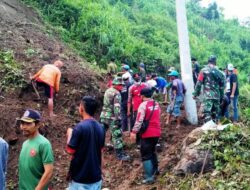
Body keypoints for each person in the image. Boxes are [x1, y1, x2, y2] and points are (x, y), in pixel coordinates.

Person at [66, 96, 105, 190]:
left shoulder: (79, 128)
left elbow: (70, 151)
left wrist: (69, 135)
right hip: (96, 177)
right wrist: (101, 171)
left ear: (82, 108)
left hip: (80, 179)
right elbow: (101, 152)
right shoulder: (101, 128)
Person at [130, 87, 161, 184]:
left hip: (147, 133)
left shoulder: (143, 105)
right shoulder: (156, 104)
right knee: (152, 151)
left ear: (142, 96)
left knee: (146, 155)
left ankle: (149, 177)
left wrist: (134, 132)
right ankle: (156, 171)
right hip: (157, 132)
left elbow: (139, 120)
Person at [18, 109, 54, 190]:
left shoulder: (44, 144)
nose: (24, 126)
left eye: (28, 123)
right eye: (22, 123)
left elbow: (49, 171)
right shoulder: (25, 144)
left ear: (38, 124)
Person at [100, 77, 130, 161]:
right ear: (116, 84)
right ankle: (120, 155)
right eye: (120, 85)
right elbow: (117, 107)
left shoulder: (108, 90)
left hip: (104, 115)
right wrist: (118, 118)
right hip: (113, 116)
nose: (122, 87)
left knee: (102, 133)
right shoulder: (117, 93)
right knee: (117, 134)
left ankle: (99, 147)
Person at [193, 55, 225, 123]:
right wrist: (221, 98)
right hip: (217, 97)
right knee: (215, 115)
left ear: (208, 62)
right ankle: (214, 131)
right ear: (215, 62)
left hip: (208, 96)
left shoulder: (203, 71)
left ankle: (208, 130)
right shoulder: (220, 73)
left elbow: (199, 83)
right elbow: (222, 88)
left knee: (207, 113)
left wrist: (195, 94)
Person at [128, 74, 148, 144]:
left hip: (145, 108)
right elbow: (129, 100)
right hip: (136, 109)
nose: (137, 78)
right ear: (133, 79)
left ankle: (145, 138)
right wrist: (128, 111)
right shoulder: (131, 88)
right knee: (137, 123)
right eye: (135, 77)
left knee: (146, 123)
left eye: (138, 77)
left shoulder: (145, 86)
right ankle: (138, 141)